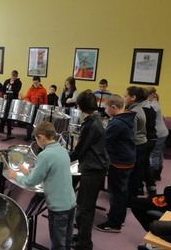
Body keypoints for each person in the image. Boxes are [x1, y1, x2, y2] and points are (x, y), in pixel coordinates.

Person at [8, 121, 76, 250]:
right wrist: (28, 171)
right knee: (67, 241)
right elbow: (51, 171)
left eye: (36, 139)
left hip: (58, 207)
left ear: (41, 137)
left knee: (58, 245)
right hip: (70, 202)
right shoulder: (62, 150)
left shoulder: (45, 155)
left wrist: (16, 177)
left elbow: (31, 182)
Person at [69, 89, 110, 250]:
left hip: (92, 169)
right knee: (87, 205)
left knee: (84, 208)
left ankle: (84, 244)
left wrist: (60, 159)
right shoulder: (96, 120)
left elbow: (79, 151)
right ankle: (81, 236)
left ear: (79, 106)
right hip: (97, 166)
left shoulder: (90, 124)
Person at [130, 128, 171, 234]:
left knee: (135, 203)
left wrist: (167, 189)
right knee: (150, 197)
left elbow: (170, 196)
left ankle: (156, 231)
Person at [95, 95, 136, 233]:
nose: (105, 111)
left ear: (113, 107)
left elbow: (104, 142)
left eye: (106, 108)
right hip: (127, 159)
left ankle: (114, 223)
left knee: (115, 192)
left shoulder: (117, 123)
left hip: (120, 161)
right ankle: (119, 217)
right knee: (122, 191)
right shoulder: (125, 118)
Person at [124, 86, 149, 199]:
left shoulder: (133, 112)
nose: (124, 99)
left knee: (133, 174)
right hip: (141, 144)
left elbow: (131, 135)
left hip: (137, 145)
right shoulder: (139, 108)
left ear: (133, 97)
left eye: (125, 96)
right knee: (136, 173)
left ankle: (130, 199)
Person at [146, 87, 169, 181]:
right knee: (159, 153)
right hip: (163, 132)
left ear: (152, 95)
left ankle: (153, 175)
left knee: (154, 154)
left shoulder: (153, 106)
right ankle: (157, 173)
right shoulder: (153, 103)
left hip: (158, 133)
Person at [0, 70, 22, 135]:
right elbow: (2, 89)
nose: (13, 78)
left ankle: (9, 131)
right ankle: (1, 128)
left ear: (16, 76)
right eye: (12, 76)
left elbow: (16, 91)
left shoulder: (18, 82)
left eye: (14, 77)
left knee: (9, 115)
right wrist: (4, 94)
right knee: (4, 114)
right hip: (6, 100)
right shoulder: (7, 81)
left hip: (13, 100)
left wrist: (12, 84)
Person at [23, 76, 47, 141]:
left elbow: (45, 101)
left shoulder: (43, 90)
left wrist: (44, 109)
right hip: (32, 106)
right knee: (29, 122)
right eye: (34, 83)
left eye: (36, 83)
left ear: (40, 82)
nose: (35, 85)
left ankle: (35, 136)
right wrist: (30, 102)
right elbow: (26, 97)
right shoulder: (31, 88)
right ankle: (28, 134)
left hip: (39, 108)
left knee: (37, 123)